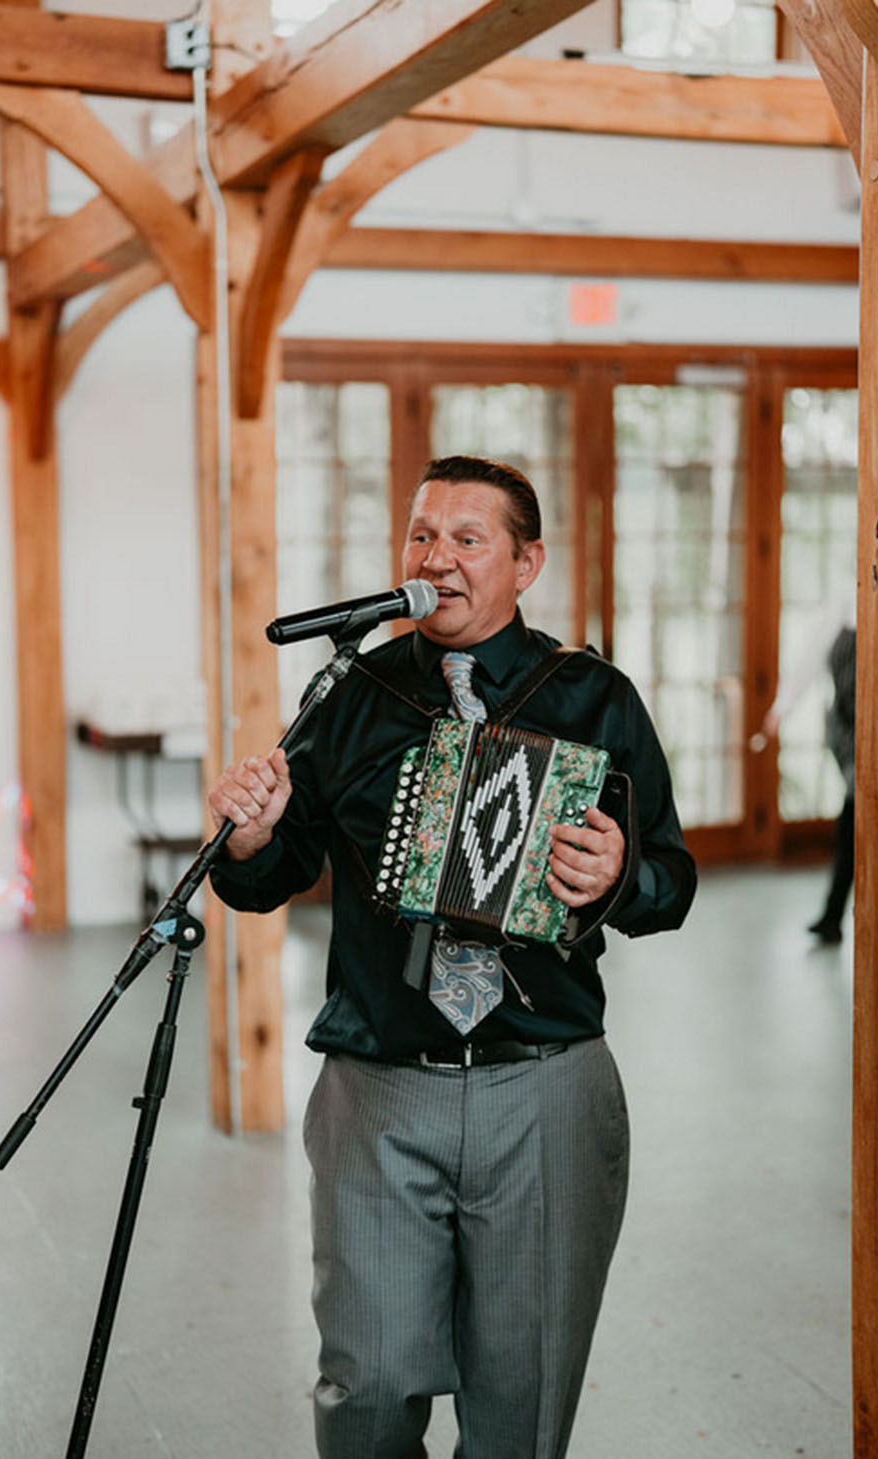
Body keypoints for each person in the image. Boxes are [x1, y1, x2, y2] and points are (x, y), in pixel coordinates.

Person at [208, 455, 697, 1459]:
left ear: (527, 563)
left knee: (521, 1402)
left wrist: (618, 876)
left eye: (467, 540)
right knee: (367, 1385)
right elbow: (265, 877)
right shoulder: (352, 692)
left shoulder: (593, 697)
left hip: (545, 1084)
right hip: (380, 1086)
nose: (437, 558)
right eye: (421, 536)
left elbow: (671, 883)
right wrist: (252, 836)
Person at [754, 600, 855, 945]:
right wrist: (781, 709)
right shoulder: (845, 600)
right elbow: (810, 660)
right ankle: (833, 915)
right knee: (855, 815)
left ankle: (833, 914)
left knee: (854, 817)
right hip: (847, 728)